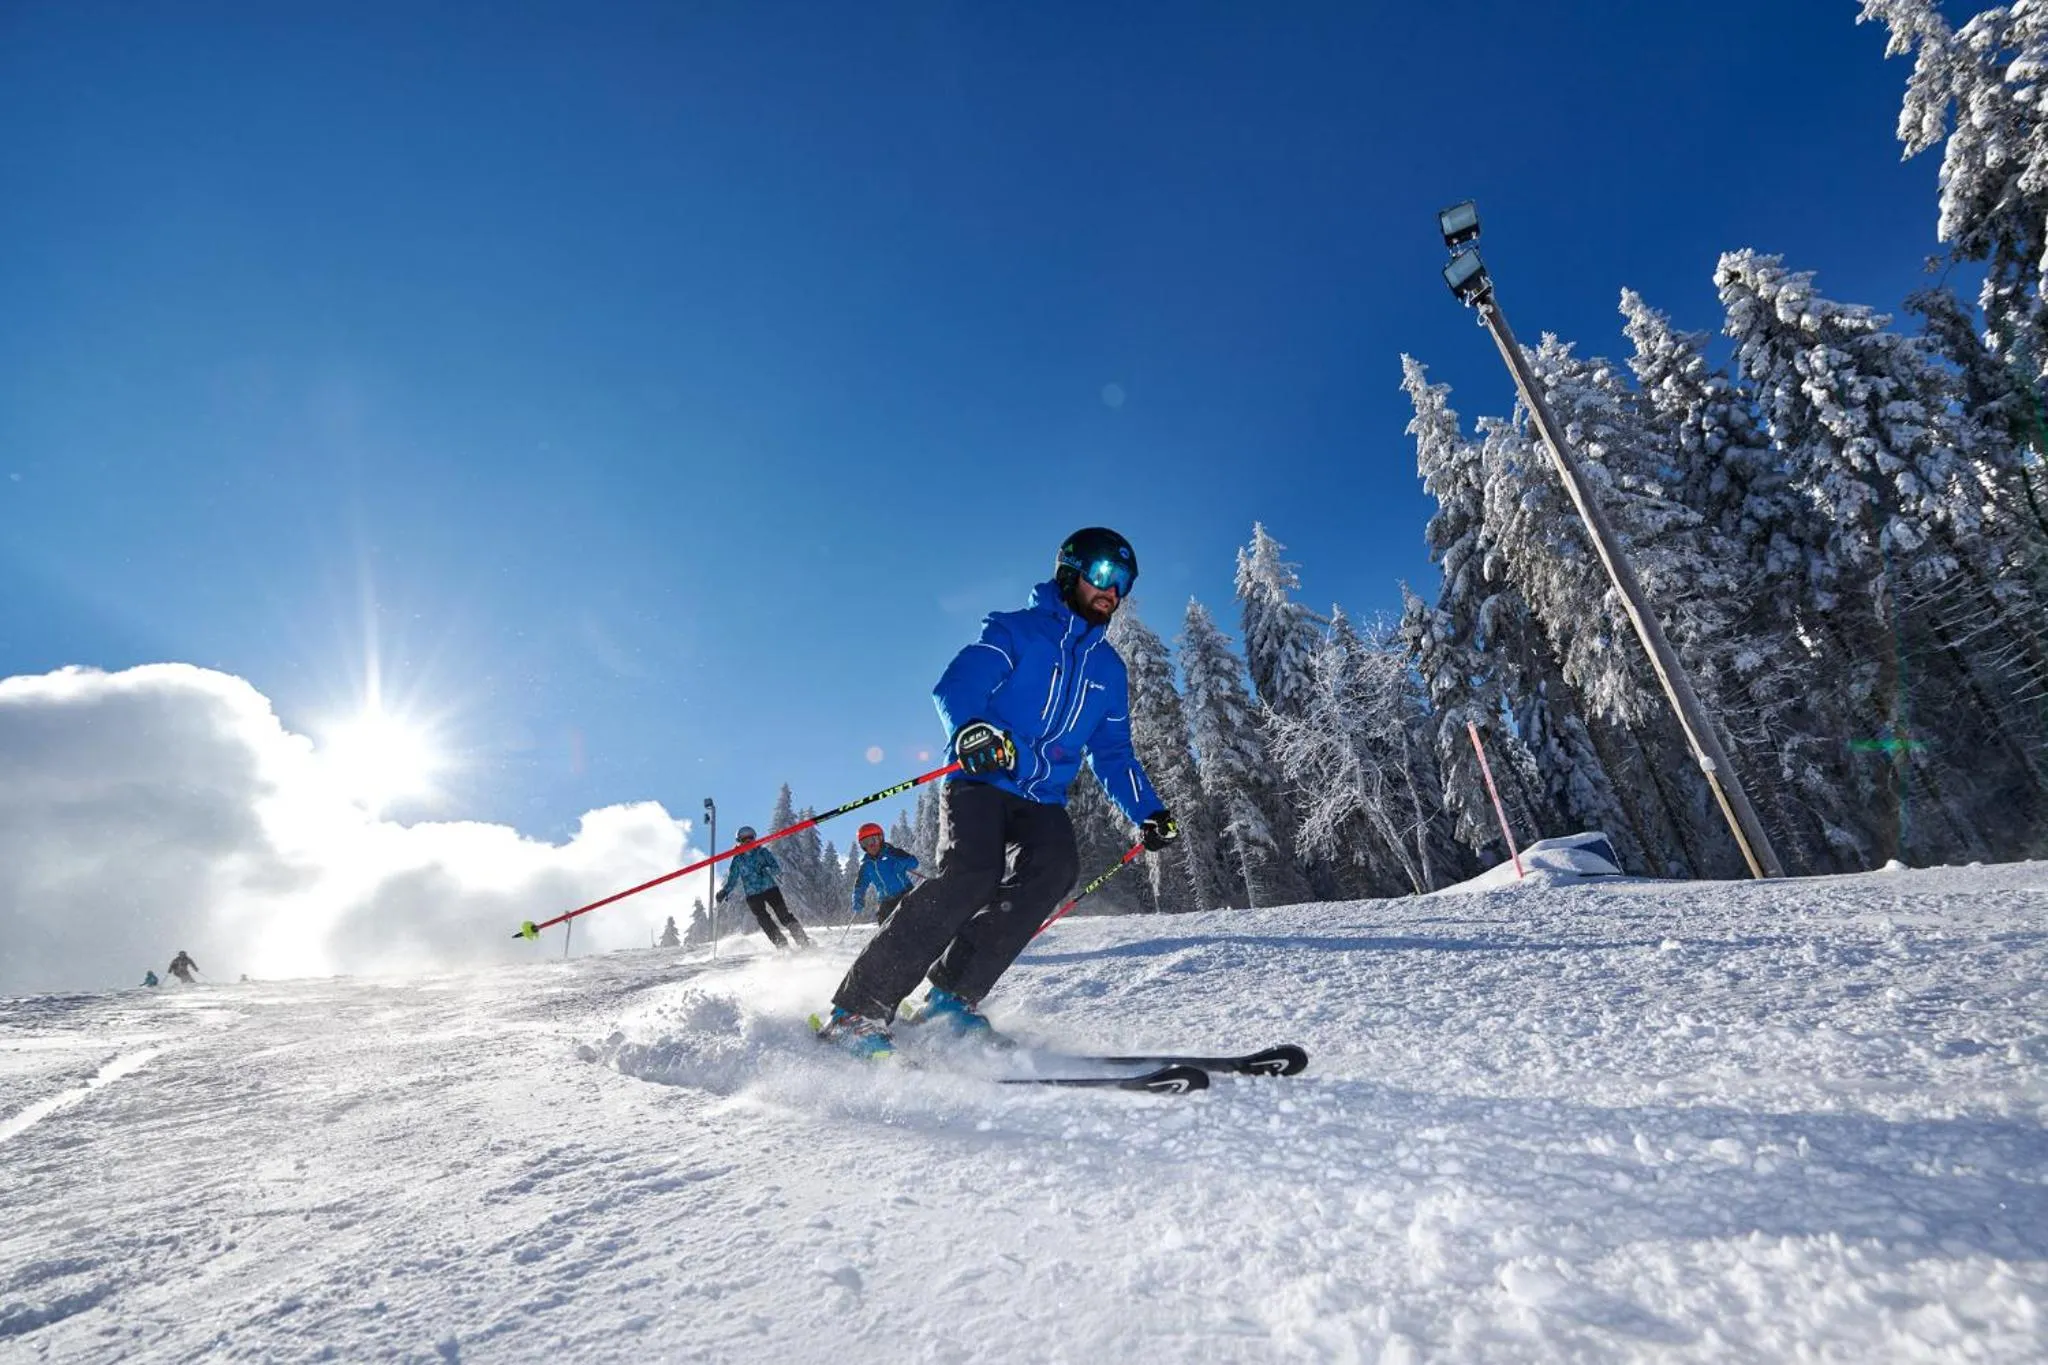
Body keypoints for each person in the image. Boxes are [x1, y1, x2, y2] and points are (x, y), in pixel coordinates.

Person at [820, 528, 1179, 1058]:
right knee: (972, 872)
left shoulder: (1109, 670)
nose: (1112, 591)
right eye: (1102, 575)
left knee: (1055, 869)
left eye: (1122, 582)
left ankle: (950, 998)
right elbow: (957, 684)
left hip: (1043, 796)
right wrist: (972, 730)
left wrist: (1149, 812)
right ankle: (858, 1008)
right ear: (1070, 572)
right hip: (982, 776)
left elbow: (1114, 755)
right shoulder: (1017, 631)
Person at [716, 827, 813, 950]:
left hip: (770, 889)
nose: (747, 841)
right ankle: (782, 945)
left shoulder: (763, 853)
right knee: (764, 920)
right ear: (739, 841)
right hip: (753, 895)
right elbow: (732, 879)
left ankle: (803, 941)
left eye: (750, 838)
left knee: (783, 915)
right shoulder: (738, 860)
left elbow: (776, 868)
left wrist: (766, 869)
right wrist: (725, 891)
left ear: (754, 838)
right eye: (744, 839)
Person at [850, 822, 921, 926]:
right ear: (862, 846)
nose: (871, 845)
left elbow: (914, 863)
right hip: (885, 902)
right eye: (865, 843)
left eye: (874, 840)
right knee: (886, 925)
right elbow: (860, 886)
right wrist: (858, 899)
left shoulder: (893, 854)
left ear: (881, 839)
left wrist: (903, 860)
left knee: (913, 922)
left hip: (905, 895)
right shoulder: (866, 866)